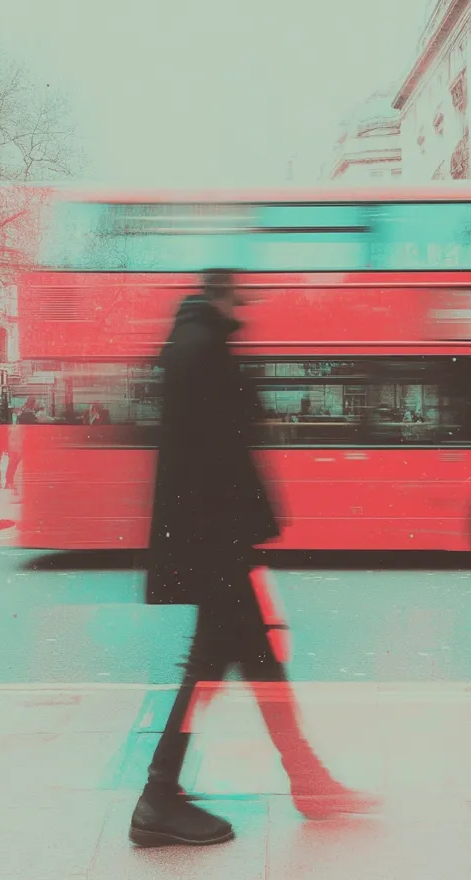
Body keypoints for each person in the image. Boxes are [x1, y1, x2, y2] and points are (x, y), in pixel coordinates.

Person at [130, 269, 380, 849]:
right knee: (216, 664)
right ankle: (158, 798)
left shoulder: (199, 342)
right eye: (244, 293)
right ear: (226, 292)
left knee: (253, 660)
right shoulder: (202, 347)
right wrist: (233, 540)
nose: (250, 304)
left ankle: (304, 780)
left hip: (215, 540)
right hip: (215, 542)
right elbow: (215, 456)